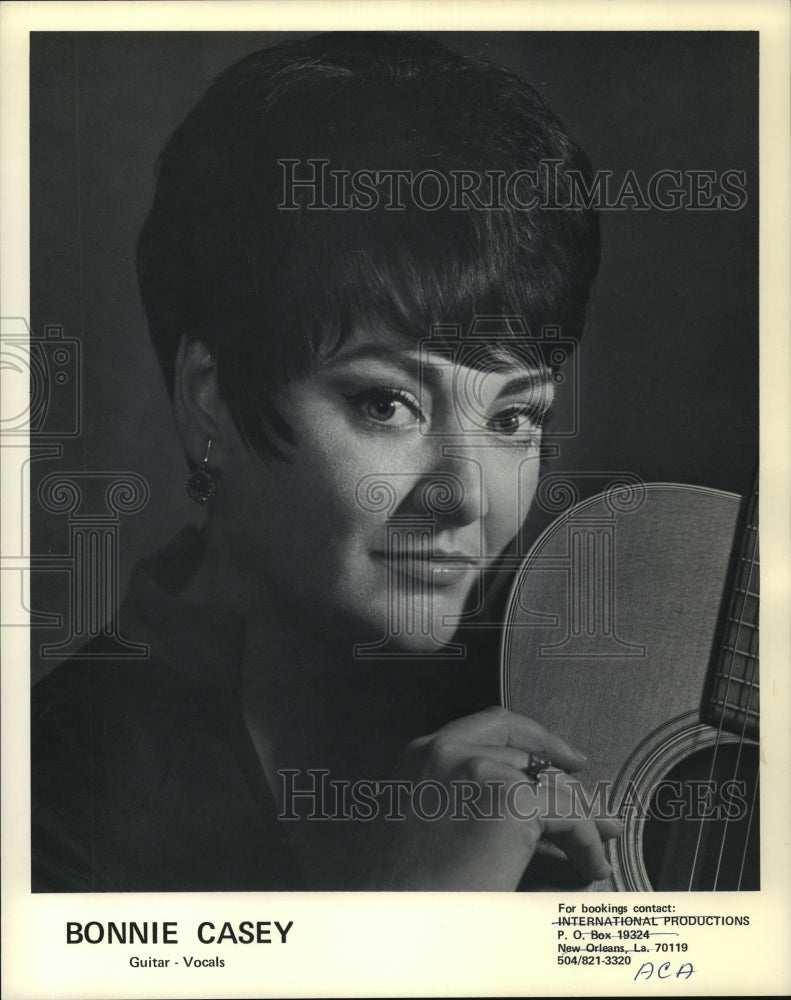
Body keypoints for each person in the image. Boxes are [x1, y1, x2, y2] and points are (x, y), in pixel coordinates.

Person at [31, 31, 620, 891]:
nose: (465, 497)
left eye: (513, 416)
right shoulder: (49, 797)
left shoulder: (572, 710)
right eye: (385, 404)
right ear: (210, 394)